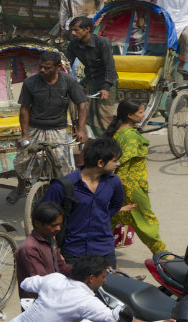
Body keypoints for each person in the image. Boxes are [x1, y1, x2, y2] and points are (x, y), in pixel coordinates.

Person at [12, 50, 88, 204]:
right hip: (35, 128)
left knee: (64, 165)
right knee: (21, 160)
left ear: (58, 67)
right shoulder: (30, 83)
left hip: (58, 129)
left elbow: (82, 104)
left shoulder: (68, 81)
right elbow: (24, 109)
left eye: (47, 68)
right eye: (40, 67)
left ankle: (65, 196)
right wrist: (25, 134)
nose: (42, 70)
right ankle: (21, 186)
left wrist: (80, 129)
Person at [42, 138, 126, 270]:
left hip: (104, 250)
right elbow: (43, 217)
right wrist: (54, 249)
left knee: (109, 288)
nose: (118, 164)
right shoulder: (63, 186)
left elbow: (116, 204)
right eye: (115, 160)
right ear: (100, 162)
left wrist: (101, 217)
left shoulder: (114, 182)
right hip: (73, 252)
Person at [107, 101, 165, 256]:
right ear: (129, 116)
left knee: (109, 220)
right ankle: (161, 253)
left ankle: (97, 252)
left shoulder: (120, 131)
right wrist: (119, 188)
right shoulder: (130, 137)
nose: (143, 114)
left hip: (125, 185)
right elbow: (123, 165)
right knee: (145, 220)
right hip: (131, 187)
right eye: (140, 112)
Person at [11, 253, 116, 322]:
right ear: (91, 278)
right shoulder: (85, 301)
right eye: (103, 277)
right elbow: (113, 317)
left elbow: (25, 283)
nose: (104, 280)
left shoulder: (55, 278)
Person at [66, 17, 118, 137]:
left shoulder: (102, 42)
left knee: (104, 117)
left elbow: (110, 67)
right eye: (71, 30)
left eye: (76, 30)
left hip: (106, 81)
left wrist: (105, 87)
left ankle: (107, 143)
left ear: (87, 29)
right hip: (89, 80)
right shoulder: (73, 45)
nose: (72, 33)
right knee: (84, 112)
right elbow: (67, 65)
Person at [16, 202, 69, 300]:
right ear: (37, 224)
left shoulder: (50, 239)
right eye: (54, 225)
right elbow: (41, 281)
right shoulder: (29, 248)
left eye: (60, 225)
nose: (58, 228)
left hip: (53, 296)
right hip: (39, 303)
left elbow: (60, 266)